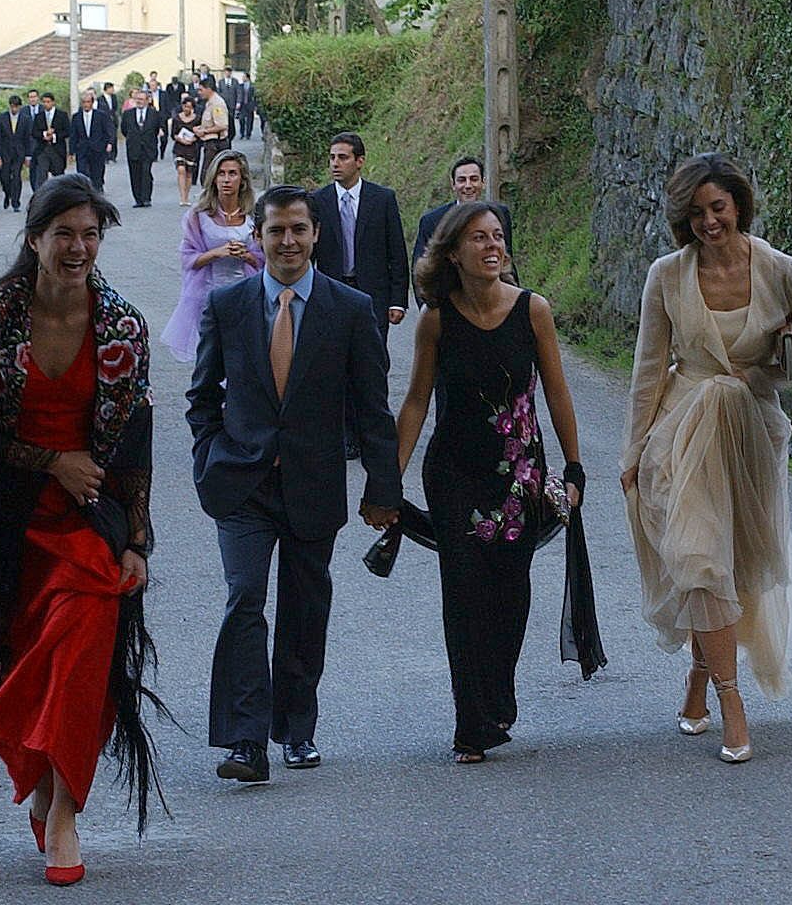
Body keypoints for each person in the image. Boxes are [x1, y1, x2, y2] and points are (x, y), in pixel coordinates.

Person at [0, 174, 161, 887]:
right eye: (65, 234)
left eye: (90, 234)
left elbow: (136, 440)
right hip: (9, 520)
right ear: (35, 239)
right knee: (34, 659)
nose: (79, 248)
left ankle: (62, 812)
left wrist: (135, 540)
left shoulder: (122, 326)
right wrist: (53, 461)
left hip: (90, 521)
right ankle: (46, 783)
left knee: (87, 633)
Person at [620, 155, 792, 764]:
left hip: (752, 432)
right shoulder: (666, 275)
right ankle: (733, 706)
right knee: (698, 557)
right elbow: (646, 371)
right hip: (680, 433)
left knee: (733, 565)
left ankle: (698, 681)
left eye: (717, 208)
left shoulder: (780, 269)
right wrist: (633, 451)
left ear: (738, 204)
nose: (708, 222)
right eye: (695, 213)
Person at [186, 184, 401, 781]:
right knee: (244, 601)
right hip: (242, 485)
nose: (288, 241)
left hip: (314, 483)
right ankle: (245, 741)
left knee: (306, 608)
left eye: (298, 230)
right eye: (276, 230)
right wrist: (209, 458)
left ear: (316, 236)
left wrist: (383, 489)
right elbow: (202, 397)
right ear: (257, 237)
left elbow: (372, 408)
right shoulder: (228, 306)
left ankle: (296, 729)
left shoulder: (350, 309)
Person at [392, 201, 596, 762]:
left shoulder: (534, 311)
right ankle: (471, 722)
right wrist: (388, 482)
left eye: (498, 236)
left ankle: (496, 694)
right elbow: (414, 403)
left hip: (518, 475)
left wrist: (572, 469)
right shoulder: (436, 318)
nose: (492, 246)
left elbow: (557, 393)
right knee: (463, 592)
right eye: (478, 238)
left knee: (509, 592)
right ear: (453, 252)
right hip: (454, 474)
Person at [310, 132, 409, 458]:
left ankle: (376, 431)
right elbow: (308, 253)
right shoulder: (319, 201)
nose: (335, 164)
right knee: (338, 363)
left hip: (373, 295)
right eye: (332, 158)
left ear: (360, 161)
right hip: (333, 293)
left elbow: (397, 251)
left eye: (342, 157)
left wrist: (398, 299)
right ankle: (347, 434)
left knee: (372, 363)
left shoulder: (382, 199)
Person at [160, 150, 262, 364]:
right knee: (211, 355)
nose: (226, 179)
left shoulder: (254, 215)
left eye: (232, 173)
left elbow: (265, 259)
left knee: (241, 354)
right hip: (207, 294)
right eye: (221, 174)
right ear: (214, 178)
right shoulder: (199, 216)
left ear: (242, 179)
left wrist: (246, 256)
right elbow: (188, 259)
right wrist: (216, 253)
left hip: (245, 293)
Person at [411, 156, 515, 295]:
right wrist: (431, 307)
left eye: (474, 179)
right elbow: (423, 269)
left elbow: (506, 260)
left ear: (483, 182)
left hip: (493, 298)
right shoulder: (432, 221)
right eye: (462, 180)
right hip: (449, 298)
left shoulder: (499, 214)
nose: (468, 185)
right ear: (453, 184)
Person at [118, 87, 162, 209]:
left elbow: (156, 129)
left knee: (146, 172)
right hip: (134, 148)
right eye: (137, 99)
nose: (139, 101)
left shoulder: (154, 114)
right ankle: (138, 199)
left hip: (148, 148)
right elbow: (124, 130)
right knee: (135, 174)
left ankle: (146, 198)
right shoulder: (128, 114)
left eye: (142, 99)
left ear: (147, 100)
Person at [72, 89, 115, 189]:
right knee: (82, 171)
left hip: (97, 148)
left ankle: (97, 188)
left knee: (97, 171)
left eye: (88, 102)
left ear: (92, 103)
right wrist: (72, 151)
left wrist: (109, 143)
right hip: (82, 149)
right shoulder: (76, 117)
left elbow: (108, 130)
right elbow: (74, 134)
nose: (86, 104)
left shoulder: (101, 115)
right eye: (84, 102)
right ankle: (86, 190)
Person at [0, 95, 29, 212]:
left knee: (16, 176)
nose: (14, 109)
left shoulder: (25, 118)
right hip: (5, 152)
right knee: (5, 177)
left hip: (19, 153)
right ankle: (7, 194)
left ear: (20, 107)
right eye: (12, 107)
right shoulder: (2, 117)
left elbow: (28, 138)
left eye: (16, 107)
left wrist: (28, 155)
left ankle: (15, 202)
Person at [30, 92, 69, 188]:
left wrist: (54, 136)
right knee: (41, 175)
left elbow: (67, 131)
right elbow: (34, 132)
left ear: (53, 102)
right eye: (44, 102)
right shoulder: (39, 116)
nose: (46, 104)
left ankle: (59, 196)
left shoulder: (62, 115)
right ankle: (42, 197)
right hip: (43, 150)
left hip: (57, 150)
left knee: (59, 177)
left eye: (48, 102)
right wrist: (44, 134)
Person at [170, 97, 204, 206]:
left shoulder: (198, 119)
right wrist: (180, 139)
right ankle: (182, 197)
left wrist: (193, 139)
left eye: (189, 107)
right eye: (185, 106)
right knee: (181, 170)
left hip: (192, 148)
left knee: (189, 173)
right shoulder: (177, 118)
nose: (186, 109)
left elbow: (200, 134)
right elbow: (173, 134)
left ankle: (186, 196)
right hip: (179, 147)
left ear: (193, 108)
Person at [194, 76, 231, 153]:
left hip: (216, 144)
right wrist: (200, 128)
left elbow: (222, 125)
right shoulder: (209, 102)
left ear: (209, 89)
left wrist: (204, 131)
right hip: (210, 144)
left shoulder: (217, 103)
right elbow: (210, 122)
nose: (199, 93)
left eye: (201, 90)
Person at [20, 89, 43, 192]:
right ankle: (35, 190)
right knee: (32, 169)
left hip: (42, 143)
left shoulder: (44, 109)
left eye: (34, 97)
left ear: (38, 98)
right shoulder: (23, 111)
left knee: (42, 168)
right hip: (29, 144)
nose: (33, 99)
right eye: (30, 97)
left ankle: (42, 189)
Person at [235, 71, 256, 142]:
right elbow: (238, 95)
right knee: (241, 119)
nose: (242, 78)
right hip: (242, 105)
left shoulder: (253, 86)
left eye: (244, 77)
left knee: (250, 120)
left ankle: (248, 134)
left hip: (250, 104)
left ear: (247, 77)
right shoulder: (240, 86)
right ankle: (242, 133)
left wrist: (255, 105)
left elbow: (255, 96)